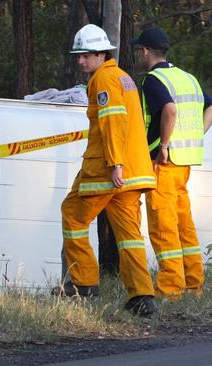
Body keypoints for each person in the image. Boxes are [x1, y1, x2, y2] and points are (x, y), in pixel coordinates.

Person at [54, 24, 158, 317]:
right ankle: (142, 297)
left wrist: (115, 164)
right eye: (78, 56)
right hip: (133, 174)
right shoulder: (123, 78)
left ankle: (83, 284)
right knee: (129, 236)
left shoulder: (104, 80)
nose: (80, 62)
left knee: (72, 214)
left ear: (102, 54)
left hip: (107, 172)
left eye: (85, 56)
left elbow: (114, 122)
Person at [132, 27, 212, 300]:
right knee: (183, 224)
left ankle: (170, 288)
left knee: (164, 225)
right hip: (185, 162)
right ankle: (194, 285)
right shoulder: (187, 77)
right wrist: (195, 135)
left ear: (145, 51)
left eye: (138, 51)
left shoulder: (153, 79)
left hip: (165, 163)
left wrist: (164, 145)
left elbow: (169, 109)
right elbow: (210, 106)